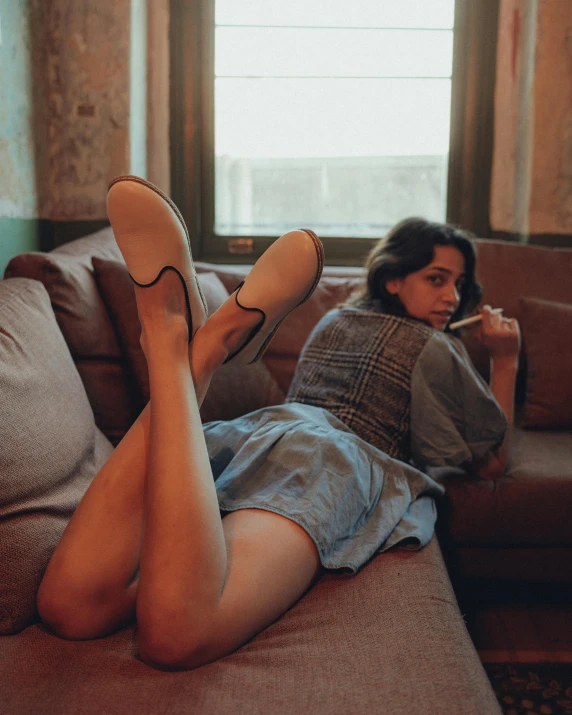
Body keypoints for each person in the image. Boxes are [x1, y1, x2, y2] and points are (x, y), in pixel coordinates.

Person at [36, 179, 520, 673]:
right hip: (328, 458)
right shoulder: (436, 348)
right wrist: (506, 361)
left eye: (458, 285)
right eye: (437, 279)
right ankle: (199, 340)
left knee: (70, 608)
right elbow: (492, 460)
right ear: (394, 279)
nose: (451, 298)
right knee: (177, 632)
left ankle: (190, 345)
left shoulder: (333, 319)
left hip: (250, 436)